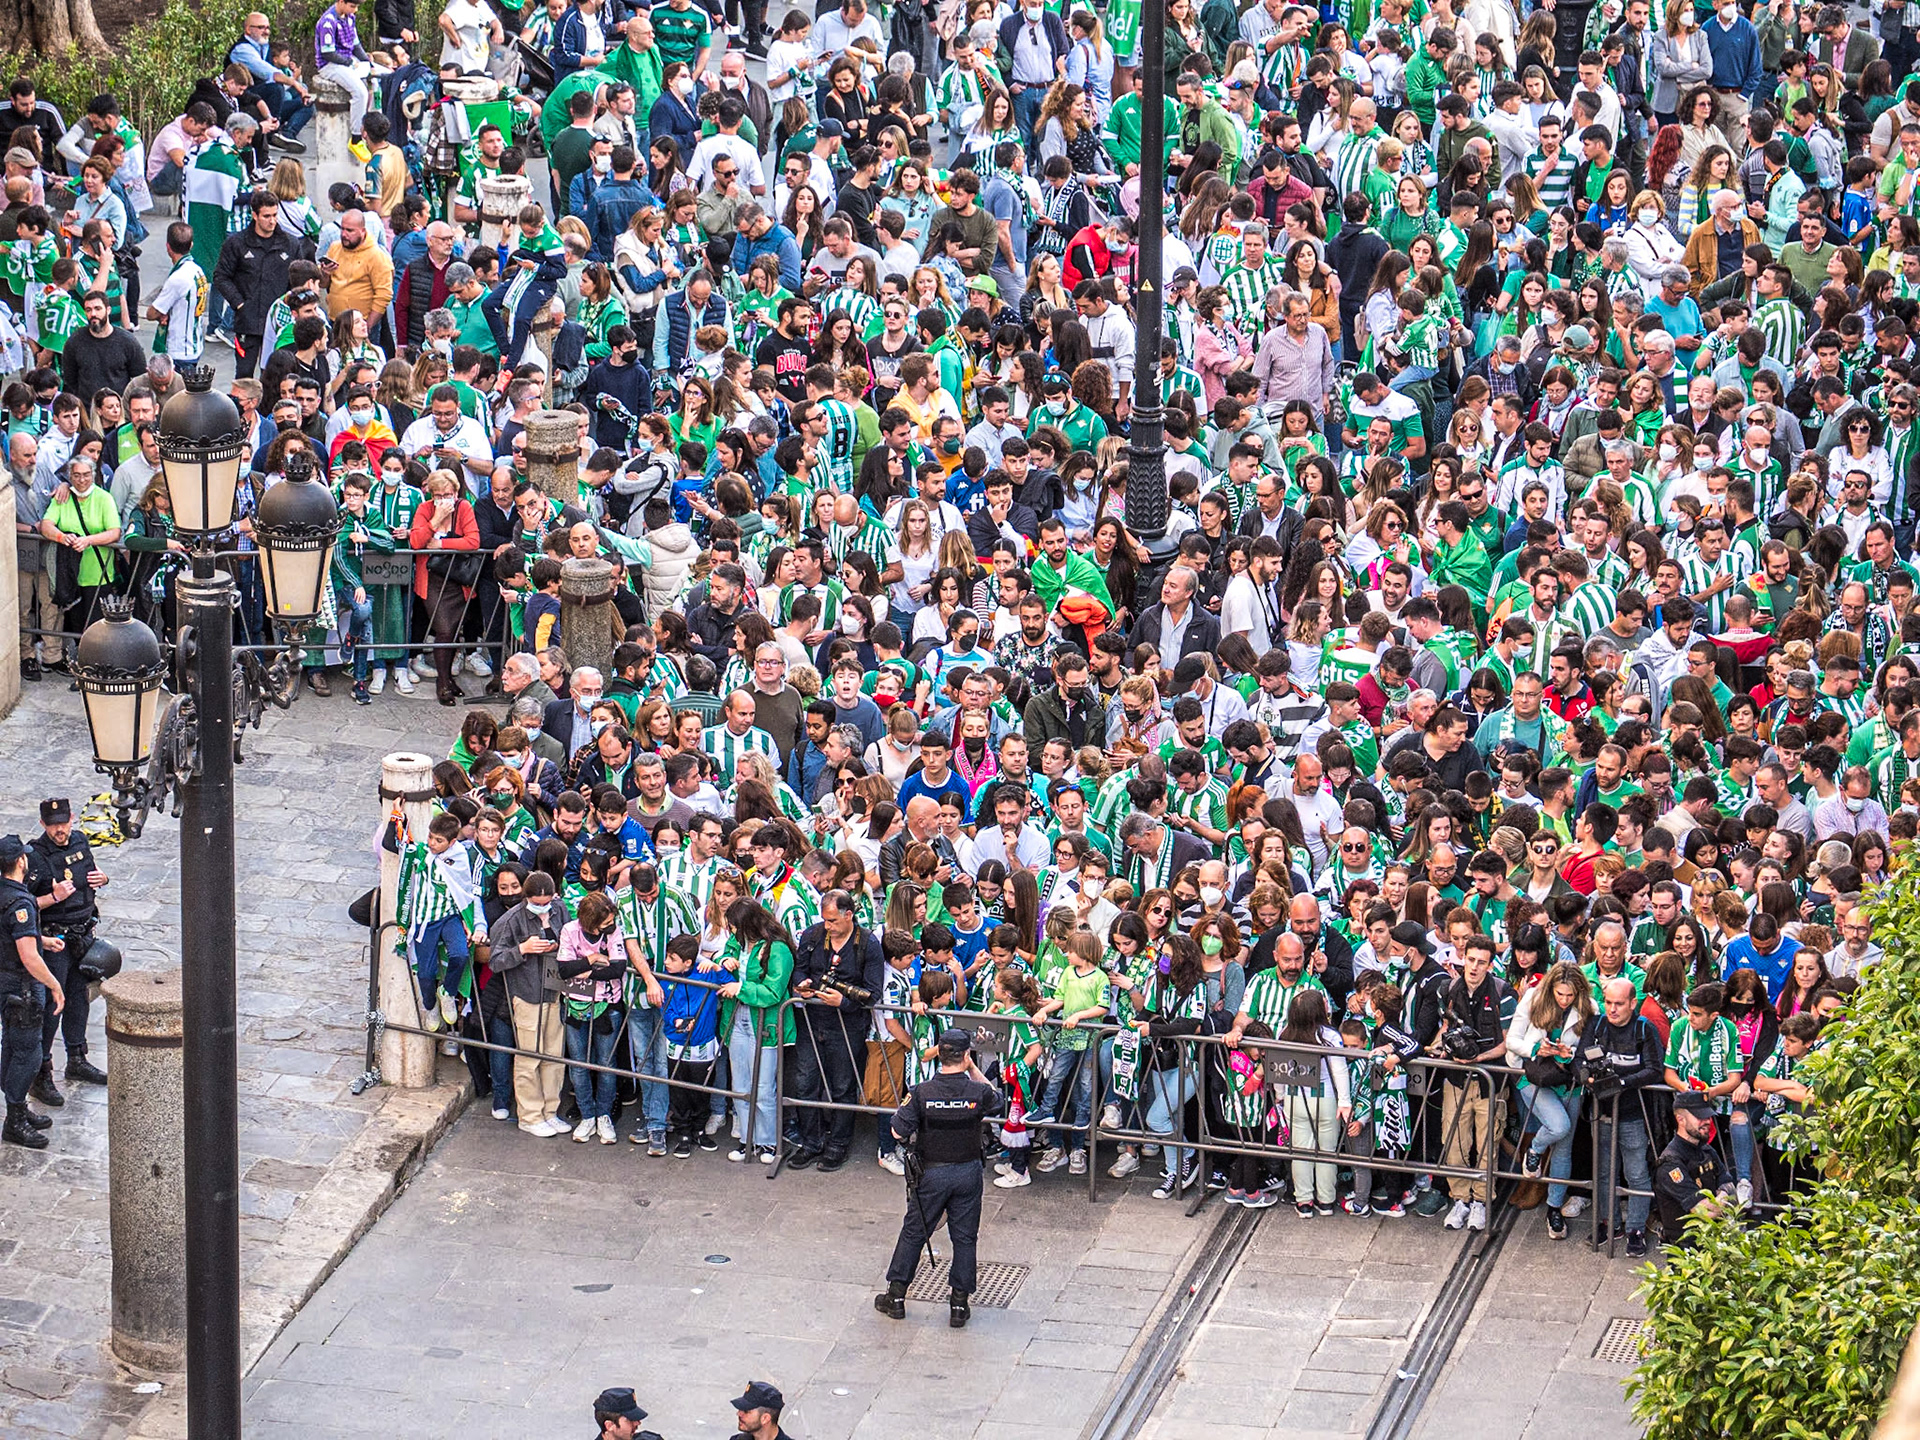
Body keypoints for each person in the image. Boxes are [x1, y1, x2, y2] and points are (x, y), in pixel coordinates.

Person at [874, 1026, 1001, 1328]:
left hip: (931, 1173)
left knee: (915, 1232)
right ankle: (959, 1304)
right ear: (966, 1055)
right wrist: (972, 1069)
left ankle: (896, 1296)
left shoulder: (921, 1092)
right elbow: (997, 1100)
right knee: (965, 1237)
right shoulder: (976, 1091)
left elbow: (896, 1131)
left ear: (940, 1054)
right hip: (968, 1171)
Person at [26, 797, 116, 1105]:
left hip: (83, 935)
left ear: (72, 819)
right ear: (43, 825)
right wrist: (52, 897)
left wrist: (103, 879)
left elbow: (92, 874)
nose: (59, 830)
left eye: (63, 823)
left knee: (79, 999)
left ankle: (77, 1059)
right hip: (55, 941)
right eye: (53, 825)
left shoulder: (80, 840)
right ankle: (42, 1074)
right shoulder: (34, 856)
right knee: (53, 1005)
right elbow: (21, 905)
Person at [0, 833, 61, 1149]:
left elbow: (11, 938)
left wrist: (42, 940)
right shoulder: (21, 901)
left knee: (12, 1044)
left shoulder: (5, 893)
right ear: (21, 862)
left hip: (5, 982)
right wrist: (54, 984)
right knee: (29, 1052)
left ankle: (19, 1107)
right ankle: (14, 1120)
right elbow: (28, 957)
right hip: (23, 987)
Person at [1653, 1089, 1739, 1246]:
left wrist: (1720, 1200)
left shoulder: (1705, 1149)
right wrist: (1723, 1199)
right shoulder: (1671, 1163)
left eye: (1707, 1116)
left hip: (1713, 1241)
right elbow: (1704, 1211)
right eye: (1700, 1117)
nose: (1706, 1121)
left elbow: (1730, 1186)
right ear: (1681, 1120)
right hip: (1686, 1250)